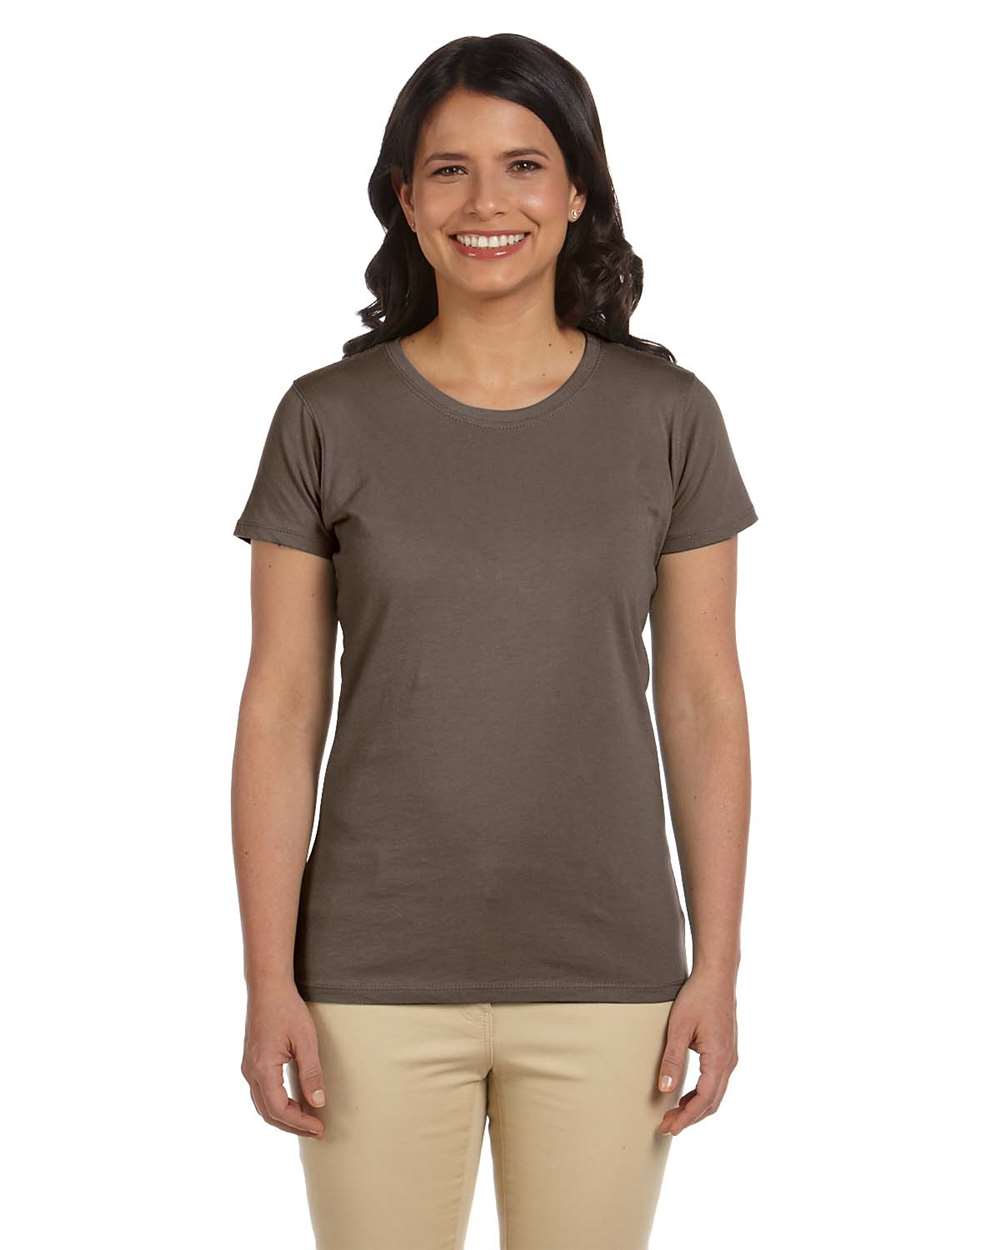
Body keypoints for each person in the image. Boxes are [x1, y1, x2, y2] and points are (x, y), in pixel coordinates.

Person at [231, 32, 758, 1250]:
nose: (486, 203)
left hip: (610, 972)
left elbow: (702, 701)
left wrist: (717, 964)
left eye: (524, 165)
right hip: (367, 975)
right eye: (448, 170)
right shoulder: (323, 417)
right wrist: (268, 980)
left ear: (576, 192)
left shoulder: (669, 416)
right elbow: (281, 706)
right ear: (405, 199)